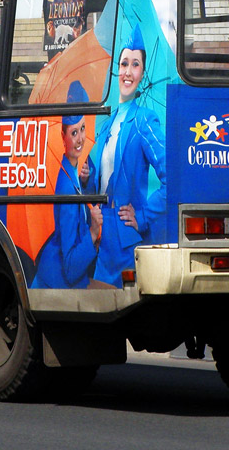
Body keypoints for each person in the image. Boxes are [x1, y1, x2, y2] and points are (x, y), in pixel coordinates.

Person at [81, 25, 167, 288]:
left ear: (142, 73)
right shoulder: (106, 123)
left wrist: (141, 216)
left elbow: (173, 177)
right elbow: (100, 184)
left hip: (124, 240)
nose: (128, 71)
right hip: (100, 235)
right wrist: (87, 177)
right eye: (124, 63)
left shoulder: (144, 119)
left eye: (135, 65)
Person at [32, 81, 103, 289]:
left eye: (82, 129)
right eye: (73, 133)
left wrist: (85, 180)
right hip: (58, 280)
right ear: (63, 136)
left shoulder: (76, 166)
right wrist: (93, 231)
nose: (80, 138)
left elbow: (88, 194)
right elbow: (71, 267)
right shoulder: (65, 187)